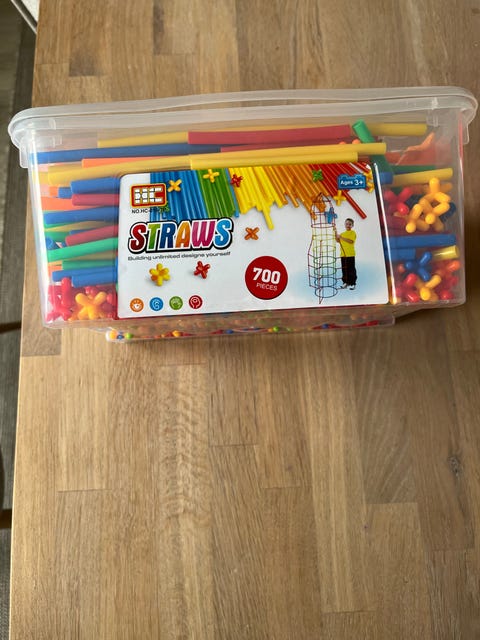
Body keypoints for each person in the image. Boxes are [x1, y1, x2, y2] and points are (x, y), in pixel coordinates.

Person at [336, 218, 357, 290]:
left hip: (350, 254)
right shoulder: (342, 233)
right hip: (343, 255)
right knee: (344, 270)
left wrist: (341, 237)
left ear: (352, 225)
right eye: (347, 224)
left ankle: (353, 283)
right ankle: (345, 283)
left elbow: (351, 241)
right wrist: (335, 232)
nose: (348, 225)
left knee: (351, 269)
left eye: (350, 224)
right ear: (345, 224)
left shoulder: (352, 232)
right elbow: (337, 240)